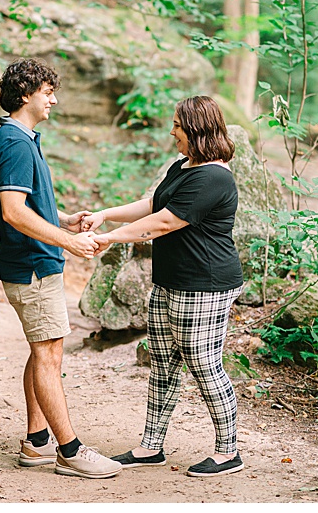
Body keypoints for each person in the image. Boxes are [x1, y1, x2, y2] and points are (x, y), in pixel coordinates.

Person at [82, 95, 246, 477]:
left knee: (204, 365)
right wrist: (105, 215)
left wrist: (110, 238)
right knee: (164, 364)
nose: (172, 131)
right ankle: (150, 447)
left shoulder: (214, 177)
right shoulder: (184, 166)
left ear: (196, 129)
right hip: (170, 281)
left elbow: (164, 224)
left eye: (177, 125)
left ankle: (228, 452)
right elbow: (153, 205)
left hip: (204, 284)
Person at [0, 58, 122, 480]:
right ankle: (70, 451)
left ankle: (37, 441)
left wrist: (60, 218)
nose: (55, 99)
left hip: (34, 263)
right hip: (32, 267)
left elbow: (26, 201)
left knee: (42, 349)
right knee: (49, 355)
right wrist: (69, 241)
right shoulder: (14, 142)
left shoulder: (23, 138)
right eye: (48, 92)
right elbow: (12, 212)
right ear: (25, 93)